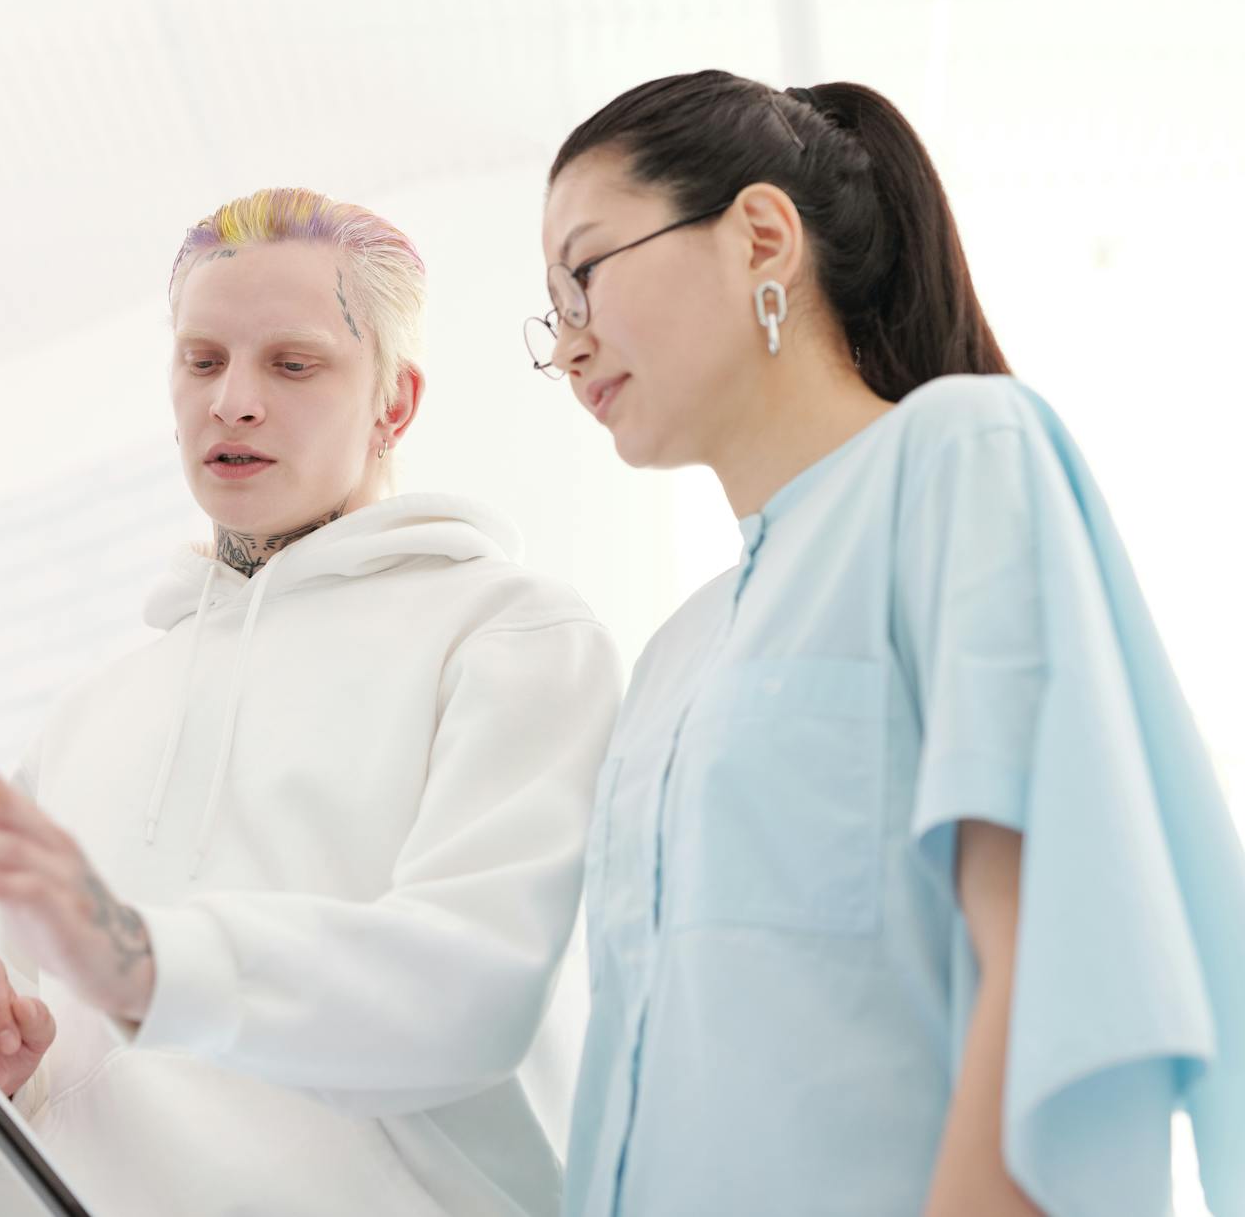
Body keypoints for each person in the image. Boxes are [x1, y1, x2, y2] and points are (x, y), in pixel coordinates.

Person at [530, 70, 1245, 1217]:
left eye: (584, 273)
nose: (568, 347)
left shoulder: (956, 458)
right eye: (550, 314)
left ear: (760, 235)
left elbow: (1053, 958)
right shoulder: (672, 656)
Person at [0, 187, 622, 1216]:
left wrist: (148, 963)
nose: (233, 402)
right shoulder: (88, 712)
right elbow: (47, 1078)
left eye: (291, 365)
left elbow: (470, 994)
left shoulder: (510, 637)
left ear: (393, 403)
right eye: (202, 361)